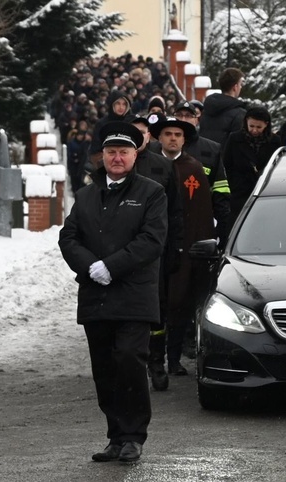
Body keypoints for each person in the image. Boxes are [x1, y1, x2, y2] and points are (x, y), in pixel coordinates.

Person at [59, 122, 168, 463]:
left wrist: (112, 266)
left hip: (134, 296)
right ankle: (115, 436)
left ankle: (134, 436)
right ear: (102, 156)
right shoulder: (87, 194)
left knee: (130, 362)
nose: (117, 158)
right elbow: (68, 237)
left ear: (135, 155)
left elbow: (151, 240)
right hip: (97, 296)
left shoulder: (151, 193)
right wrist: (90, 266)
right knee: (105, 368)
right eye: (111, 152)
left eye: (123, 152)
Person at [149, 116, 216, 377]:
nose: (173, 138)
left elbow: (201, 212)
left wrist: (198, 248)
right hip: (155, 247)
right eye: (168, 134)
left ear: (184, 139)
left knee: (179, 305)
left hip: (184, 248)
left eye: (178, 134)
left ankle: (173, 359)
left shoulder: (194, 169)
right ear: (160, 137)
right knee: (155, 305)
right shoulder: (150, 166)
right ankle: (153, 359)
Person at [131, 116, 184, 391]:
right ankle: (130, 364)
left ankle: (156, 362)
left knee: (157, 309)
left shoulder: (163, 166)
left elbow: (175, 212)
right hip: (123, 253)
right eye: (133, 133)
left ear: (149, 137)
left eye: (142, 133)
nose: (138, 138)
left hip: (157, 252)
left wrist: (175, 248)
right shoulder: (115, 166)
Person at [170, 101, 232, 250]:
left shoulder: (211, 149)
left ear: (197, 119)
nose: (183, 120)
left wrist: (222, 229)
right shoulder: (162, 148)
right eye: (179, 115)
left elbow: (221, 190)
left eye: (188, 116)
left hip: (199, 221)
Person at [223, 106, 282, 220]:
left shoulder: (275, 141)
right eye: (251, 126)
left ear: (266, 124)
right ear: (246, 123)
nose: (254, 130)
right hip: (239, 192)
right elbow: (227, 164)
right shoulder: (234, 139)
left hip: (264, 191)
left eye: (259, 127)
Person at [199, 67, 246, 147]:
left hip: (203, 156)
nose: (241, 87)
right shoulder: (239, 113)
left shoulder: (208, 107)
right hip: (225, 158)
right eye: (240, 84)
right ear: (235, 87)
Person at [89, 91, 136, 169]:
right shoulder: (102, 124)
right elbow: (95, 150)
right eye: (118, 103)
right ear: (112, 104)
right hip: (106, 167)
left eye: (124, 104)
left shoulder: (132, 122)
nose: (121, 107)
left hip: (131, 166)